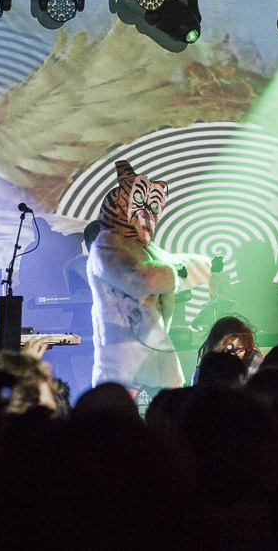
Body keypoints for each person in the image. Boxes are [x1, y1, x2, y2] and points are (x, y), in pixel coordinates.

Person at [87, 160, 210, 406]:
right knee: (128, 432)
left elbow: (173, 265)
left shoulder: (144, 248)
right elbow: (146, 280)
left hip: (155, 365)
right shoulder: (107, 247)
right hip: (126, 369)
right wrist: (175, 273)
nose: (147, 216)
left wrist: (205, 266)